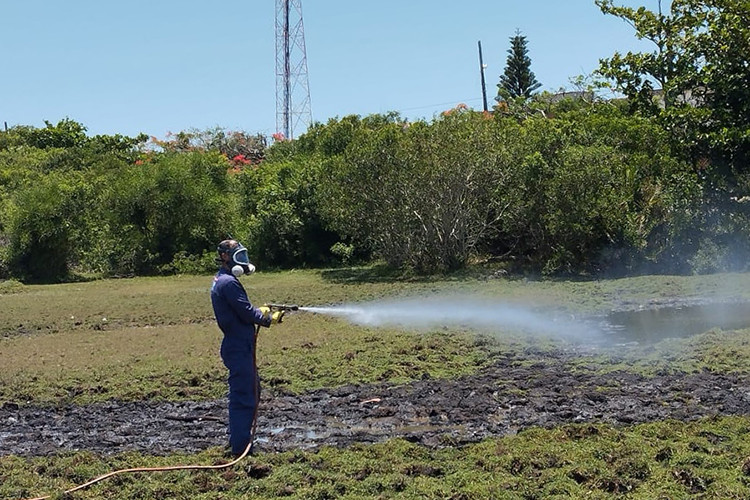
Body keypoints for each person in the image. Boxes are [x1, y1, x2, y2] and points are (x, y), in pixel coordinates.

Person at [210, 239, 283, 456]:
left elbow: (242, 308)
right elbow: (245, 312)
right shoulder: (229, 283)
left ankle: (238, 439)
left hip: (239, 344)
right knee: (244, 396)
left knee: (249, 391)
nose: (243, 261)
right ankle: (241, 448)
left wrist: (257, 311)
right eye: (238, 256)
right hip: (238, 346)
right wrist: (268, 318)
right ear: (225, 257)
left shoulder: (222, 280)